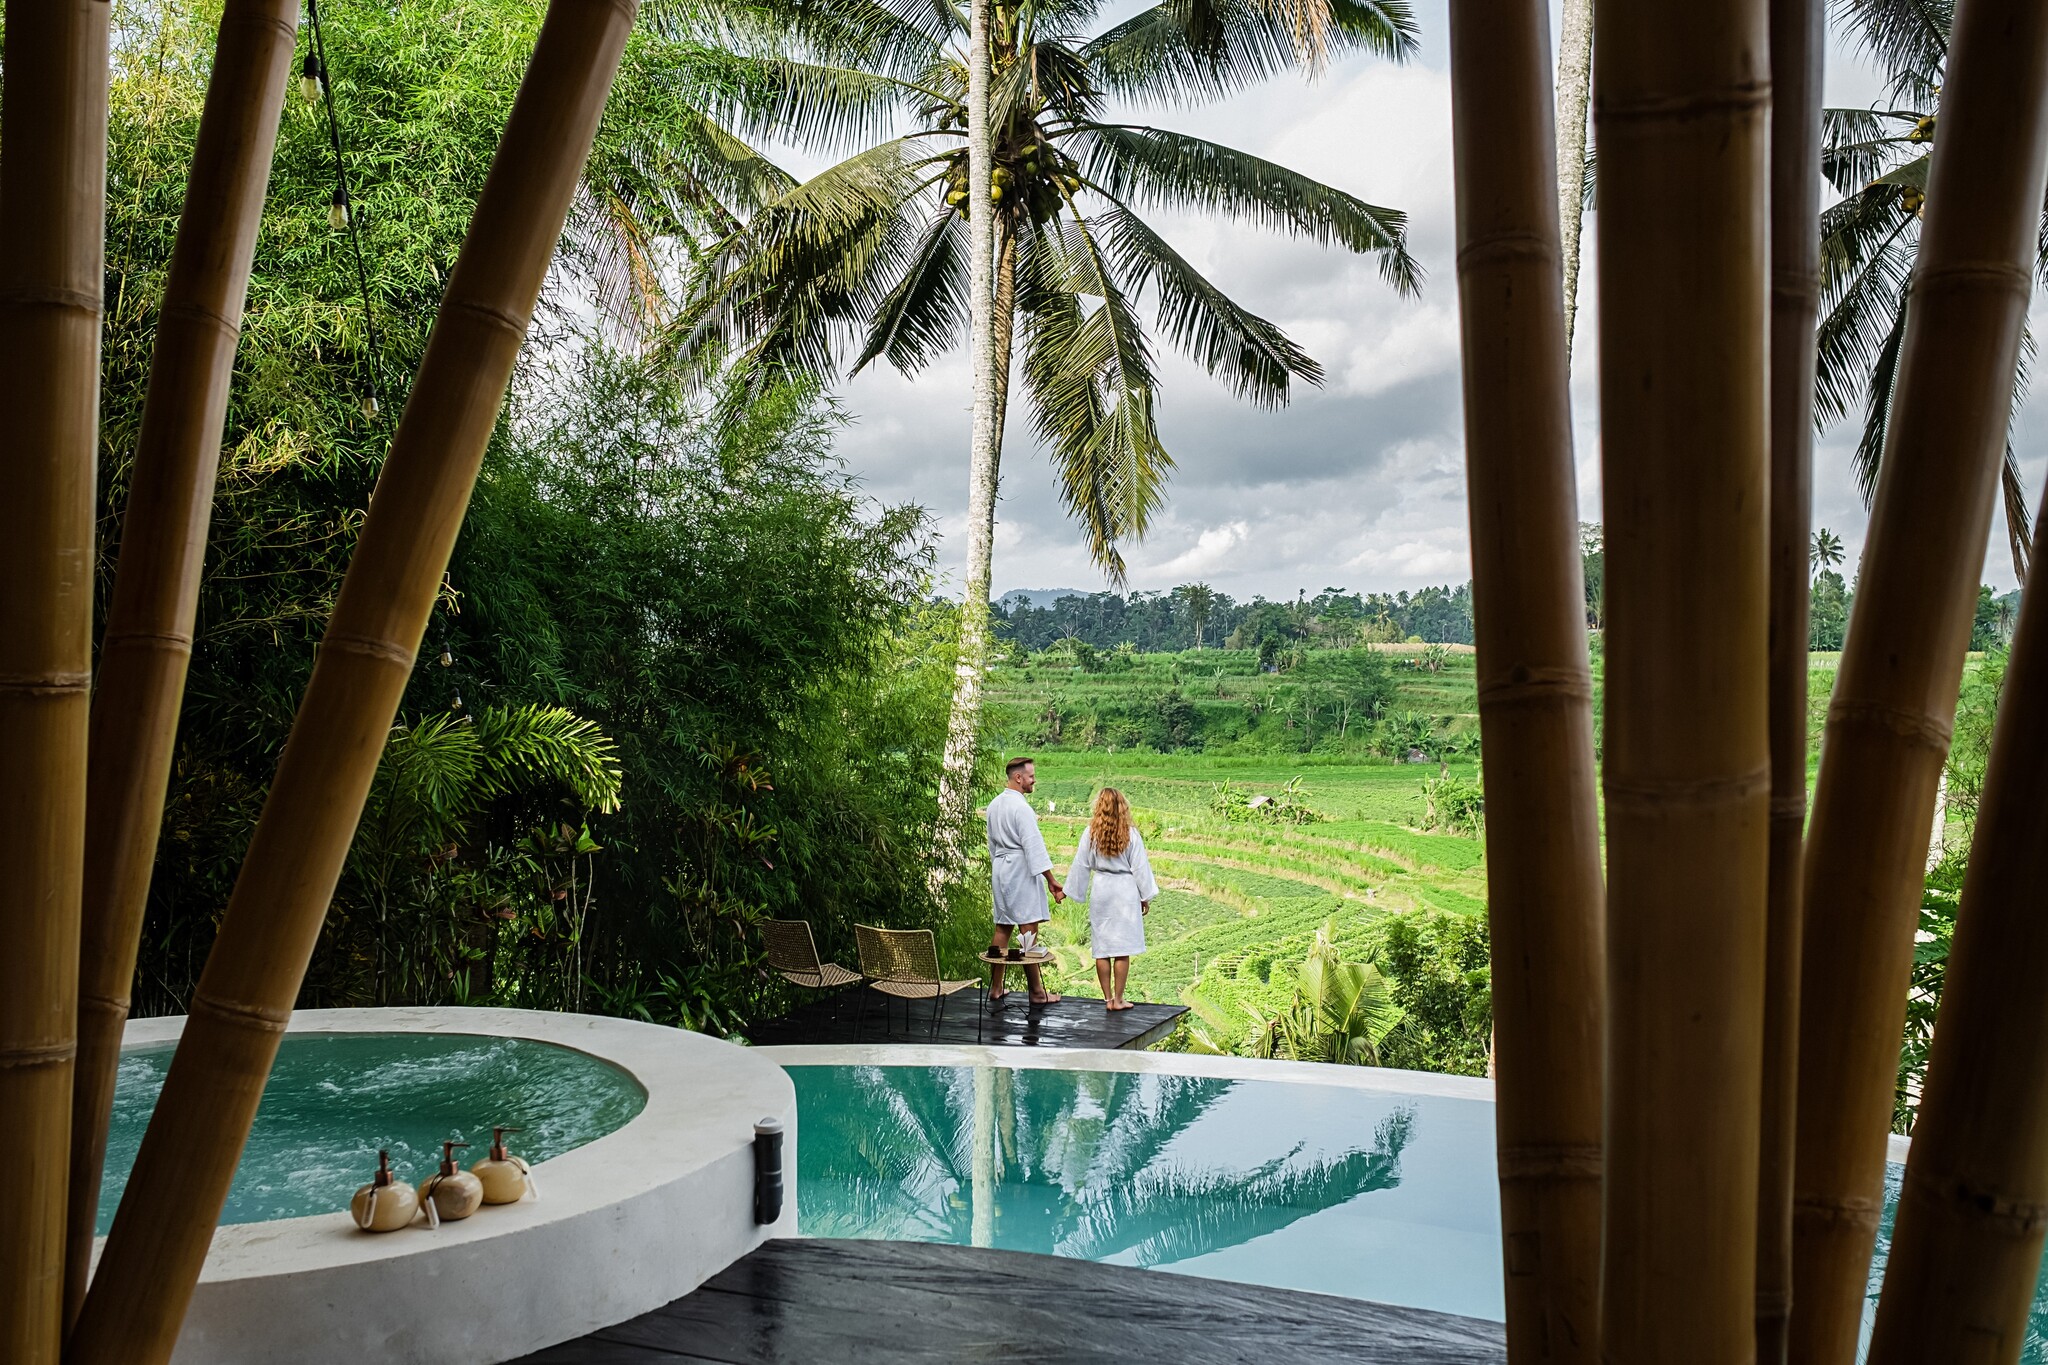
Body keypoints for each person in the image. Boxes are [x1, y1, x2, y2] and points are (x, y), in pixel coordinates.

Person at [1064, 787, 1156, 1012]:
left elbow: (1081, 865)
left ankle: (1107, 1000)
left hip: (1102, 889)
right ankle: (1119, 998)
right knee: (1122, 949)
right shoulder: (1131, 834)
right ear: (1122, 807)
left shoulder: (1091, 833)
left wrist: (1070, 891)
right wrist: (1145, 896)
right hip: (1125, 890)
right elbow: (1140, 868)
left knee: (1102, 948)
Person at [986, 755, 1063, 1005]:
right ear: (1018, 778)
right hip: (1019, 869)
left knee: (1003, 926)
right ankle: (1037, 992)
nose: (1034, 780)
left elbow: (992, 844)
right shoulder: (1021, 808)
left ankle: (995, 988)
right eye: (1031, 776)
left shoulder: (994, 805)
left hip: (1000, 868)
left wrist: (999, 867)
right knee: (1028, 929)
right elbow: (1033, 846)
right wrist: (1051, 879)